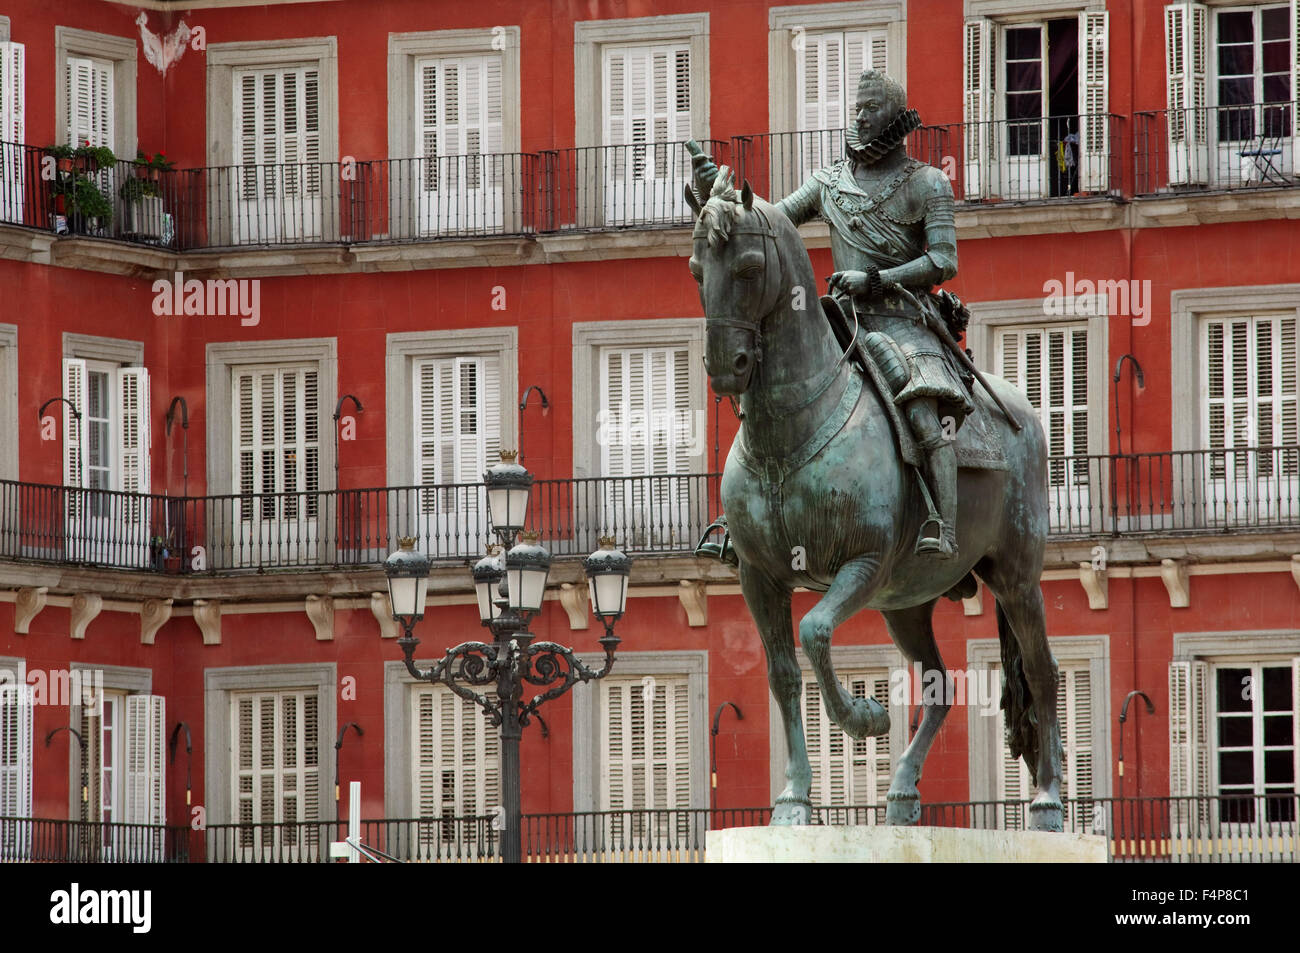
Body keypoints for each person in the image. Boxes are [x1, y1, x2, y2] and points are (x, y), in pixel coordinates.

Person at [690, 69, 971, 559]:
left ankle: (942, 524)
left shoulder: (929, 183)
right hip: (840, 318)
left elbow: (944, 261)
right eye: (856, 107)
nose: (860, 116)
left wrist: (878, 279)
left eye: (871, 108)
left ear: (896, 116)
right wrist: (723, 196)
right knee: (773, 383)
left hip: (904, 318)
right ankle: (742, 520)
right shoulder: (829, 183)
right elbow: (771, 221)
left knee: (923, 409)